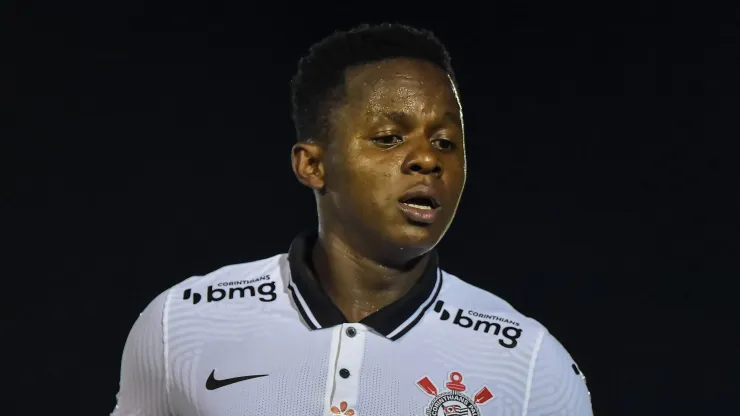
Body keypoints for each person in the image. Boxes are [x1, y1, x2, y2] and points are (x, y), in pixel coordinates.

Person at [111, 23, 593, 416]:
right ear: (312, 165)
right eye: (389, 138)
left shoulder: (530, 363)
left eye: (446, 142)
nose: (427, 160)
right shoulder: (184, 322)